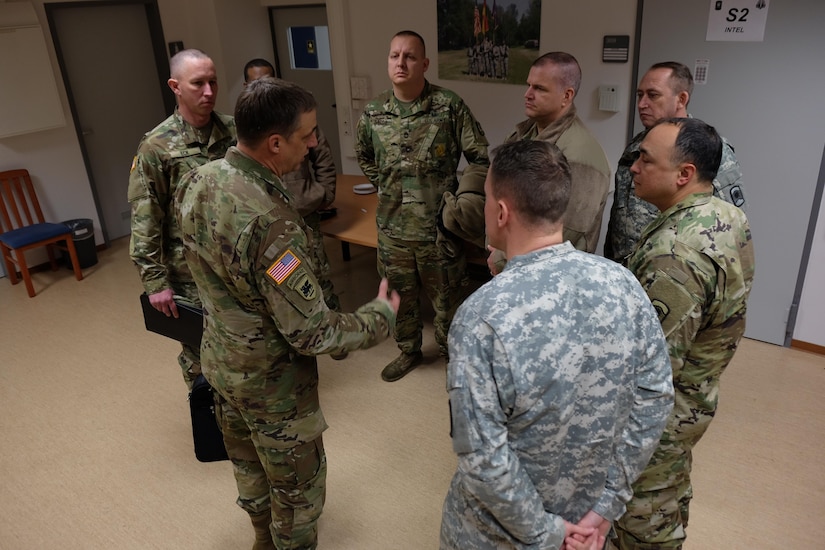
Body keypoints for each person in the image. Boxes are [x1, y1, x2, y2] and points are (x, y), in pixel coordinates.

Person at [175, 77, 400, 550]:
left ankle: (261, 541)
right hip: (271, 386)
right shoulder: (270, 221)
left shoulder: (199, 179)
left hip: (221, 364)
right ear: (275, 143)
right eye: (308, 134)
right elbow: (312, 333)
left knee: (249, 473)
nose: (315, 142)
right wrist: (378, 318)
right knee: (297, 496)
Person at [440, 140, 674, 550]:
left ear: (500, 213)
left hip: (499, 535)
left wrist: (547, 534)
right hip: (588, 520)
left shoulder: (481, 318)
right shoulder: (624, 284)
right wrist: (604, 509)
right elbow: (655, 399)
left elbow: (482, 457)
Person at [612, 118, 755, 549]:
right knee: (669, 493)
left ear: (684, 174)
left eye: (645, 159)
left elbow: (652, 372)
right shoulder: (725, 215)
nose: (634, 167)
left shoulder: (674, 254)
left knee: (643, 519)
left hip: (660, 421)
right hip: (696, 396)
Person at [355, 30, 490, 382]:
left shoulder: (449, 106)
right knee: (400, 302)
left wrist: (465, 202)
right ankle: (408, 351)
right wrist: (386, 183)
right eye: (394, 55)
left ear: (425, 63)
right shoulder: (373, 112)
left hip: (438, 231)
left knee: (449, 304)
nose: (400, 63)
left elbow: (479, 157)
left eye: (410, 56)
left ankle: (453, 358)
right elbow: (364, 156)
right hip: (393, 232)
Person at [128, 48, 236, 390]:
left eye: (213, 82)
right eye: (198, 84)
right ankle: (207, 420)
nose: (209, 92)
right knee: (199, 349)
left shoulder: (233, 131)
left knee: (241, 343)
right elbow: (146, 217)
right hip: (189, 270)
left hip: (234, 263)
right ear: (175, 86)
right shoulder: (157, 147)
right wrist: (155, 282)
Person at [604, 61, 747, 263]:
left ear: (681, 99)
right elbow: (619, 217)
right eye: (639, 95)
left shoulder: (710, 150)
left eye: (653, 95)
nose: (642, 104)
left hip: (672, 270)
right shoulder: (637, 146)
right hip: (626, 271)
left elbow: (729, 228)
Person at [242, 58, 345, 334]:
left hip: (303, 211)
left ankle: (331, 328)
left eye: (270, 81)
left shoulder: (296, 121)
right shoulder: (244, 129)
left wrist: (324, 193)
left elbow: (322, 155)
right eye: (256, 83)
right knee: (280, 279)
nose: (264, 88)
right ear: (246, 87)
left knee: (318, 272)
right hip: (266, 221)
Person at [499, 51, 610, 257]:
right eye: (529, 85)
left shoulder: (580, 154)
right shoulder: (521, 136)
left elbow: (568, 231)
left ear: (566, 96)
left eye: (539, 88)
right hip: (513, 261)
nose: (528, 94)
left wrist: (503, 258)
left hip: (553, 273)